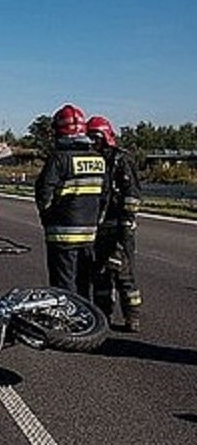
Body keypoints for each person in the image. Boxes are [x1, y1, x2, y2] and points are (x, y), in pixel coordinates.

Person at [35, 104, 109, 299]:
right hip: (89, 235)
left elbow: (44, 194)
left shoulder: (58, 159)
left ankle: (67, 322)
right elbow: (105, 197)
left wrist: (48, 219)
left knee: (63, 284)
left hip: (61, 235)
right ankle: (86, 322)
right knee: (83, 282)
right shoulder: (99, 160)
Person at [87, 116, 143, 332]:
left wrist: (127, 223)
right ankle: (103, 317)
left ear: (105, 136)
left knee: (123, 275)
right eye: (90, 137)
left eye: (96, 137)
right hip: (98, 229)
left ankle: (132, 318)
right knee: (100, 277)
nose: (93, 142)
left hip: (120, 228)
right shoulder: (94, 160)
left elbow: (132, 196)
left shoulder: (122, 160)